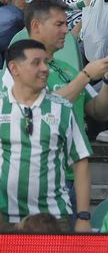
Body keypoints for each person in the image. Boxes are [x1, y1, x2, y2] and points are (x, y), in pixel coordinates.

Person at [0, 38, 92, 229]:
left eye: (45, 62)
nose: (45, 68)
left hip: (54, 218)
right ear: (14, 68)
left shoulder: (63, 109)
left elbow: (80, 161)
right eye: (36, 63)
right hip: (5, 218)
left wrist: (83, 217)